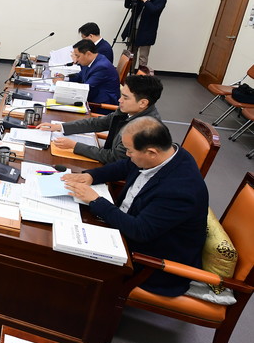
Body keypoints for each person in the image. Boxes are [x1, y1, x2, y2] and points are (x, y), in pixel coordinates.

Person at [62, 117, 207, 296]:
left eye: (129, 150)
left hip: (149, 262)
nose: (127, 154)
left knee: (66, 256)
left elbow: (140, 231)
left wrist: (96, 200)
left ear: (151, 152)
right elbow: (125, 165)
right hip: (127, 227)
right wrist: (91, 176)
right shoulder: (168, 153)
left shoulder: (179, 191)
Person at [37, 74, 163, 163]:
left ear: (143, 103)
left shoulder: (144, 129)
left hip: (114, 170)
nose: (119, 100)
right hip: (107, 151)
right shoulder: (130, 110)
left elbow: (113, 157)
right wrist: (60, 127)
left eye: (125, 97)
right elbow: (99, 123)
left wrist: (74, 146)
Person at [53, 39, 120, 105]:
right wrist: (64, 78)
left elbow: (86, 88)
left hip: (100, 105)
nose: (76, 60)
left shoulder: (102, 67)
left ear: (88, 54)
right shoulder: (92, 61)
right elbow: (80, 76)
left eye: (78, 56)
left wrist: (62, 85)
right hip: (92, 99)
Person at [123, 0, 167, 68]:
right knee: (131, 53)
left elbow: (154, 10)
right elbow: (128, 5)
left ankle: (141, 75)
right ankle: (129, 73)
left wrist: (144, 0)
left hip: (147, 31)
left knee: (143, 56)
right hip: (134, 28)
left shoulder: (161, 0)